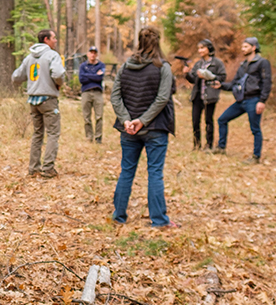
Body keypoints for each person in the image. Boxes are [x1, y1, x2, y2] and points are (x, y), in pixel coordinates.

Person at [110, 26, 177, 228]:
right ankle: (159, 220)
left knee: (126, 171)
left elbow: (115, 96)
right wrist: (141, 120)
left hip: (130, 129)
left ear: (139, 41)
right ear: (158, 41)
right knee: (155, 173)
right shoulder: (163, 67)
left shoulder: (125, 66)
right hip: (154, 128)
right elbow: (163, 98)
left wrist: (127, 120)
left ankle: (119, 216)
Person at [12, 29, 66, 177]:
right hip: (48, 99)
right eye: (54, 38)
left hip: (33, 100)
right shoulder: (52, 55)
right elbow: (59, 74)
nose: (56, 40)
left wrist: (31, 82)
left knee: (37, 134)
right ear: (46, 39)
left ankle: (33, 168)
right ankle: (48, 168)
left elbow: (16, 77)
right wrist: (58, 84)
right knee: (53, 133)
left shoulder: (29, 57)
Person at [212, 37, 272, 164]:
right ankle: (221, 147)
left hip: (254, 100)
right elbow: (234, 84)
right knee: (222, 119)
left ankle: (256, 157)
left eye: (245, 46)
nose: (242, 49)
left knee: (255, 129)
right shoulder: (243, 65)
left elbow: (267, 83)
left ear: (253, 47)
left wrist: (262, 101)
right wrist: (221, 85)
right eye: (242, 46)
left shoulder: (262, 63)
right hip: (241, 101)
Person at [183, 38, 227, 150]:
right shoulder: (198, 64)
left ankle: (209, 145)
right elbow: (192, 79)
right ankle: (196, 145)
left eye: (202, 48)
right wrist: (187, 74)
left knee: (208, 120)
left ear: (209, 48)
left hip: (210, 95)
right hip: (197, 95)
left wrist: (209, 76)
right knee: (195, 121)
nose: (200, 50)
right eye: (199, 48)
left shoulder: (217, 63)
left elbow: (222, 77)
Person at [79, 46, 106, 143]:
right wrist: (94, 75)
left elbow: (100, 78)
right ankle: (89, 137)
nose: (93, 55)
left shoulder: (101, 65)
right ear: (88, 54)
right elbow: (81, 79)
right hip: (86, 92)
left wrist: (88, 75)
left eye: (94, 53)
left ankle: (98, 137)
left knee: (99, 116)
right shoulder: (83, 66)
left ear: (97, 54)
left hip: (97, 92)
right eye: (91, 52)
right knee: (86, 117)